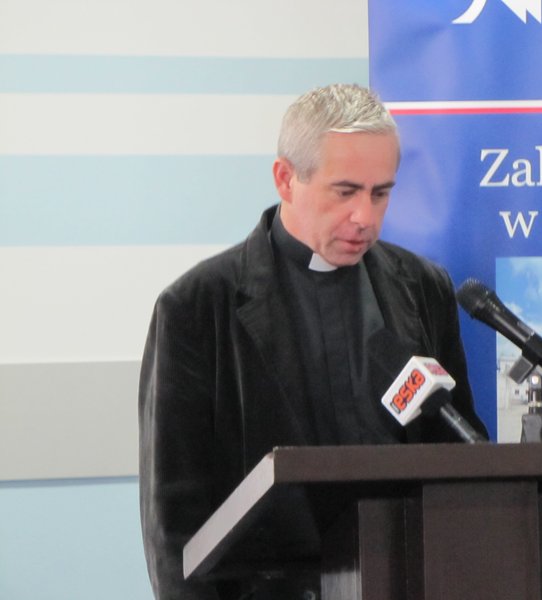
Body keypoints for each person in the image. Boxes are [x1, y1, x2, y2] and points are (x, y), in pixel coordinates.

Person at [138, 83, 488, 600]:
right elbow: (174, 523)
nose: (365, 217)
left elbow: (461, 456)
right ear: (286, 178)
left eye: (380, 193)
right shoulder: (196, 307)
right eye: (345, 192)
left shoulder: (423, 287)